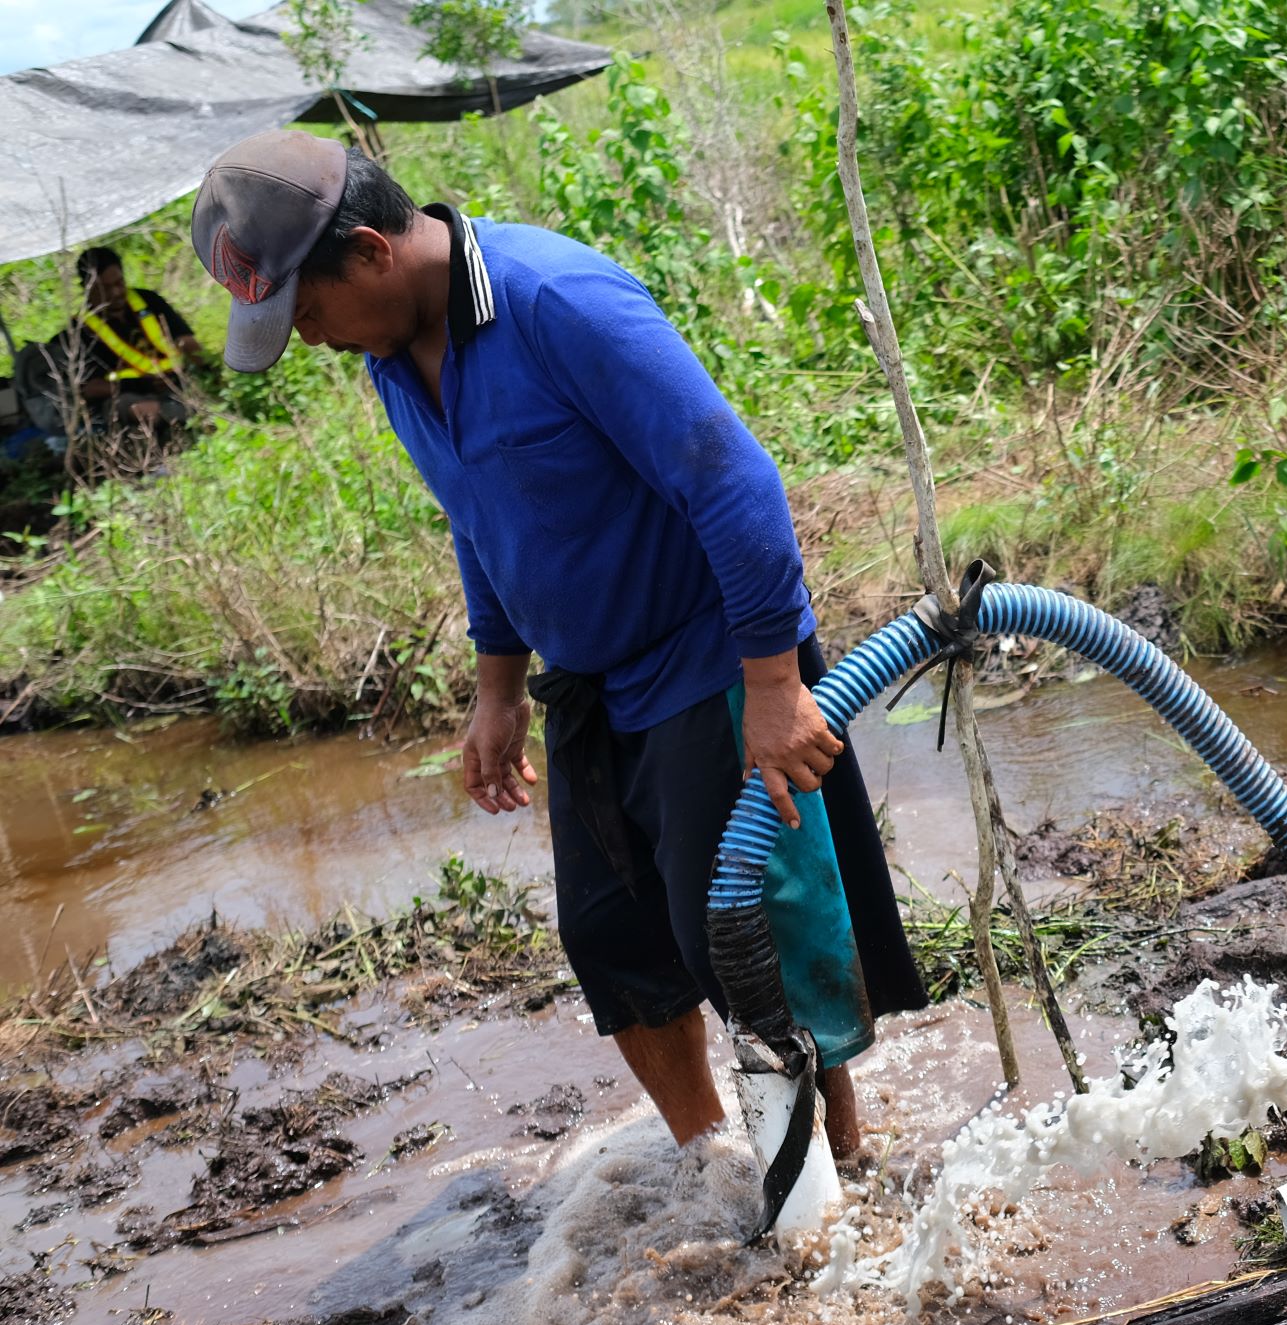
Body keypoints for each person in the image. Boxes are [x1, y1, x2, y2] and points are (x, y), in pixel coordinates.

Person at [186, 130, 926, 1163]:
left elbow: (732, 481)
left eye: (306, 312)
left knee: (746, 927)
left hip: (705, 655)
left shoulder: (555, 304)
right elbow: (479, 515)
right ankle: (713, 1163)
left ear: (367, 251)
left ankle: (841, 1166)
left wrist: (771, 685)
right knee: (611, 940)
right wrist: (498, 690)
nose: (310, 339)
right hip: (586, 680)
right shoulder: (395, 357)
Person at [23, 246, 207, 440]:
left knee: (198, 390)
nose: (116, 292)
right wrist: (136, 385)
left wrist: (207, 371)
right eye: (106, 288)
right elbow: (87, 389)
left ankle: (188, 414)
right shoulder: (77, 333)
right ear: (87, 288)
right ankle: (182, 418)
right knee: (137, 409)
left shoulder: (147, 300)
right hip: (128, 397)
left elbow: (186, 341)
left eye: (120, 283)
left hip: (177, 381)